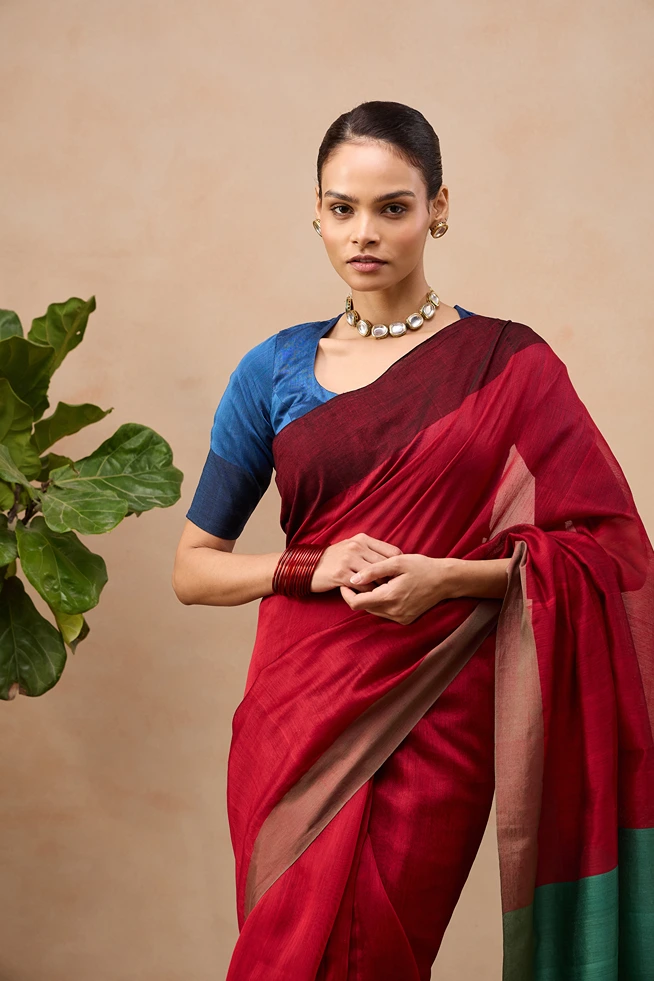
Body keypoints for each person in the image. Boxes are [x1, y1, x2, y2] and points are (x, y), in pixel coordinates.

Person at [172, 101, 654, 981]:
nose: (364, 232)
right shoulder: (272, 370)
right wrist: (310, 566)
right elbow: (193, 569)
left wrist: (450, 577)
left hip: (438, 711)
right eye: (342, 208)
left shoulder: (508, 363)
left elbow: (609, 549)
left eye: (392, 207)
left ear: (438, 208)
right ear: (317, 213)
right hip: (296, 713)